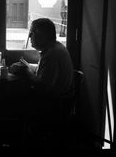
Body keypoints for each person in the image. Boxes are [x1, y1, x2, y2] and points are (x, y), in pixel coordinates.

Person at [10, 18, 74, 146]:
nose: (30, 37)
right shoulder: (54, 48)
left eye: (32, 33)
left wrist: (26, 72)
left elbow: (43, 87)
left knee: (13, 101)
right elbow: (44, 70)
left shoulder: (52, 54)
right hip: (57, 98)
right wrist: (28, 66)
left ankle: (25, 141)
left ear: (42, 35)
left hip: (52, 103)